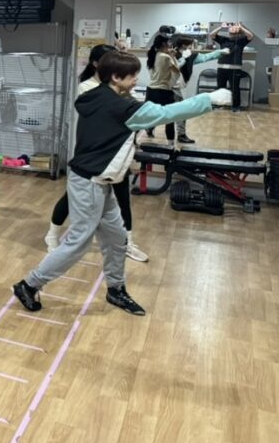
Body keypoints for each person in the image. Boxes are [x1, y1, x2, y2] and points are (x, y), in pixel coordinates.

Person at [13, 51, 231, 317]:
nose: (137, 78)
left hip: (101, 181)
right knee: (78, 243)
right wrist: (208, 99)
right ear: (116, 77)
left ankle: (115, 289)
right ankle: (29, 285)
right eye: (133, 75)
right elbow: (164, 113)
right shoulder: (119, 107)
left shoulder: (97, 95)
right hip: (89, 182)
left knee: (117, 238)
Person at [43, 44, 150, 263]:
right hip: (93, 154)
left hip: (117, 154)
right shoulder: (88, 88)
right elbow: (113, 111)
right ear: (97, 65)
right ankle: (52, 235)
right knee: (70, 198)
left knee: (123, 199)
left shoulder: (121, 88)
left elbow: (130, 111)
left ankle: (127, 242)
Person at [170, 35, 227, 144]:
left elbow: (206, 57)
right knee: (178, 111)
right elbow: (173, 66)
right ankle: (180, 135)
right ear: (183, 45)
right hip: (167, 86)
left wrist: (220, 52)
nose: (191, 47)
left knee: (175, 111)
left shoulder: (190, 56)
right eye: (189, 45)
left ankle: (177, 134)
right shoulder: (170, 54)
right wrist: (182, 58)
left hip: (176, 88)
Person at [143, 33, 181, 143]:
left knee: (150, 114)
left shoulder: (152, 54)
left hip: (151, 90)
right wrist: (173, 56)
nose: (170, 45)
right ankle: (170, 143)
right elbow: (177, 69)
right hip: (163, 91)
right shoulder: (166, 57)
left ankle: (147, 130)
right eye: (168, 43)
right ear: (164, 44)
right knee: (170, 118)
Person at [210, 23, 254, 111]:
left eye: (235, 27)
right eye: (232, 27)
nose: (233, 28)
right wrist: (221, 27)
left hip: (235, 68)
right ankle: (220, 104)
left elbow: (251, 36)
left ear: (238, 31)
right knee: (220, 87)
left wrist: (241, 27)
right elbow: (212, 35)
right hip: (222, 67)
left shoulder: (241, 41)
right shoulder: (223, 39)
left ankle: (236, 106)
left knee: (235, 89)